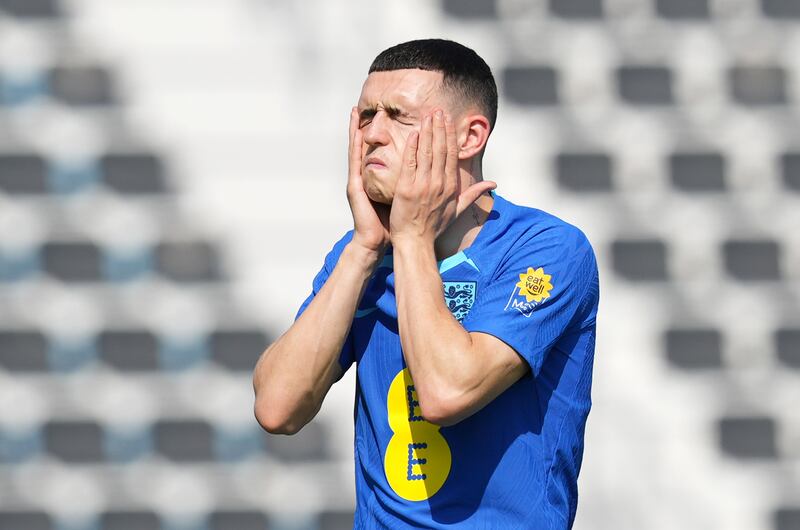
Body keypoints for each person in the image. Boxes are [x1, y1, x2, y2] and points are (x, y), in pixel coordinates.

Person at [253, 38, 599, 529]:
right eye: (366, 115)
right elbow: (276, 408)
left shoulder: (547, 249)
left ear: (470, 137)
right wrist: (364, 249)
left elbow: (446, 393)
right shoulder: (362, 255)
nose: (373, 133)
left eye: (399, 116)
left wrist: (412, 239)